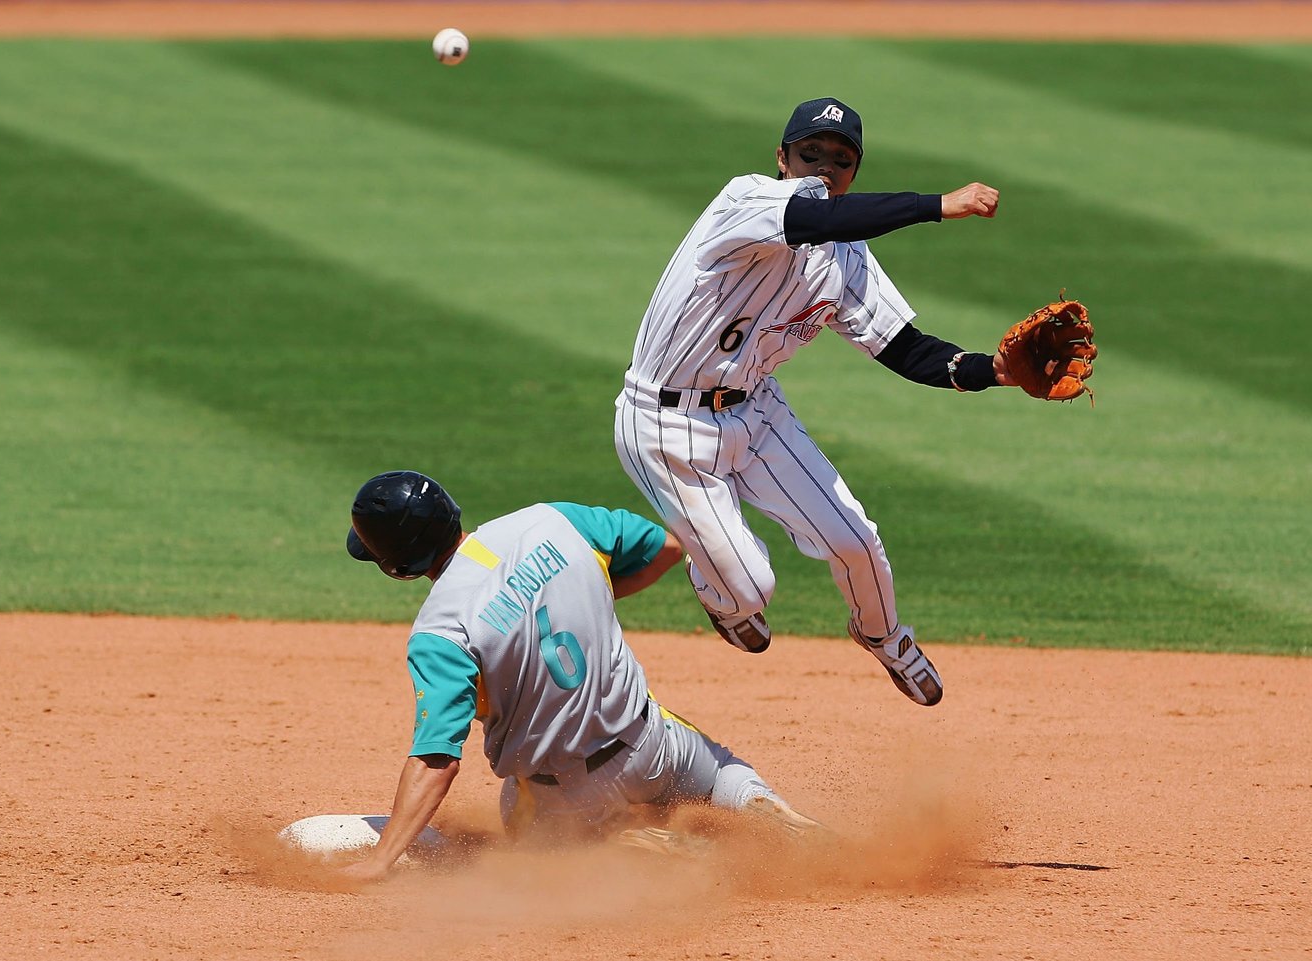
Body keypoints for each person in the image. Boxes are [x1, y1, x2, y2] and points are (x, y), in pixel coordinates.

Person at [614, 97, 1013, 708]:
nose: (825, 168)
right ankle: (717, 582)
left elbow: (907, 350)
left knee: (857, 540)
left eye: (842, 160)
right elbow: (816, 219)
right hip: (664, 423)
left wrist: (998, 371)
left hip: (758, 412)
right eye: (811, 155)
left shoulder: (846, 253)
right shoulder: (745, 200)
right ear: (781, 158)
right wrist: (939, 205)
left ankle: (884, 636)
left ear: (856, 172)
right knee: (751, 589)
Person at [333, 470, 821, 884]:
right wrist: (584, 598)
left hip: (565, 799)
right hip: (652, 746)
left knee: (522, 838)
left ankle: (618, 844)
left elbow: (436, 760)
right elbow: (667, 550)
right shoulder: (550, 519)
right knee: (719, 771)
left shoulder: (440, 634)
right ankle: (754, 800)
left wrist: (380, 861)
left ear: (397, 567)